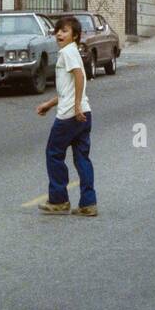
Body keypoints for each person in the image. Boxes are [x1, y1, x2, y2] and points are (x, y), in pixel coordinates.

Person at [36, 15, 97, 216]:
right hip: (83, 113)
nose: (59, 34)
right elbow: (67, 89)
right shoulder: (72, 52)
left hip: (70, 115)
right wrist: (49, 104)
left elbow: (80, 76)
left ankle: (59, 199)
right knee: (82, 158)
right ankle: (88, 203)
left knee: (53, 154)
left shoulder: (68, 53)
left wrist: (76, 105)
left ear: (75, 36)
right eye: (58, 31)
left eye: (65, 31)